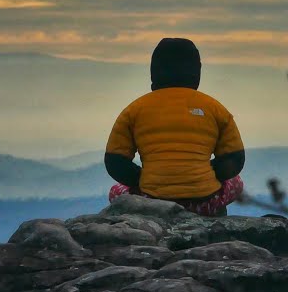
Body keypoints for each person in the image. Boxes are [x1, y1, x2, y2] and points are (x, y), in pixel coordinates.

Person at [104, 37, 245, 217]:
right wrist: (204, 174)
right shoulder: (215, 108)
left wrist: (142, 179)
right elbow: (234, 160)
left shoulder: (134, 110)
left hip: (152, 204)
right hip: (204, 203)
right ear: (197, 71)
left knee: (116, 191)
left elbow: (115, 162)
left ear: (154, 71)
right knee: (237, 182)